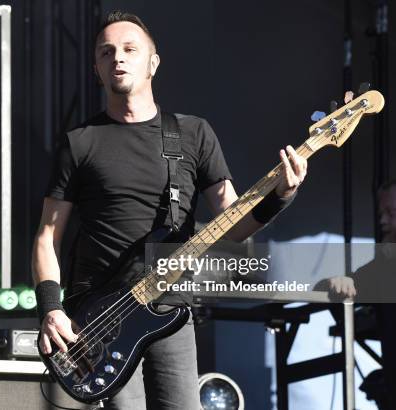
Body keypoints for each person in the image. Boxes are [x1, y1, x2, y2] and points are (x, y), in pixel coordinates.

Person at [32, 11, 308, 410]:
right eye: (106, 52)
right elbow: (46, 237)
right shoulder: (80, 142)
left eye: (130, 49)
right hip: (99, 314)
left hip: (169, 307)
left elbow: (232, 223)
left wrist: (281, 194)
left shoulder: (192, 134)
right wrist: (51, 309)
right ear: (96, 67)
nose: (118, 59)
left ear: (153, 62)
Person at [320, 180, 396, 410]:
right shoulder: (385, 267)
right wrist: (335, 283)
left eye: (391, 213)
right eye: (381, 213)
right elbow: (327, 288)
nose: (382, 221)